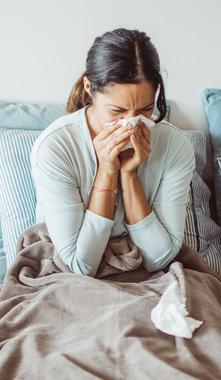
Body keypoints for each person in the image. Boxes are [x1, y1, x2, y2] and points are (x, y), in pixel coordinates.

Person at [30, 28, 194, 277]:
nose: (132, 122)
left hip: (147, 276)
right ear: (88, 87)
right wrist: (107, 171)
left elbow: (159, 258)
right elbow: (80, 266)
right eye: (118, 110)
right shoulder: (56, 147)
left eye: (146, 109)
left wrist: (129, 176)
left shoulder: (175, 145)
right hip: (69, 278)